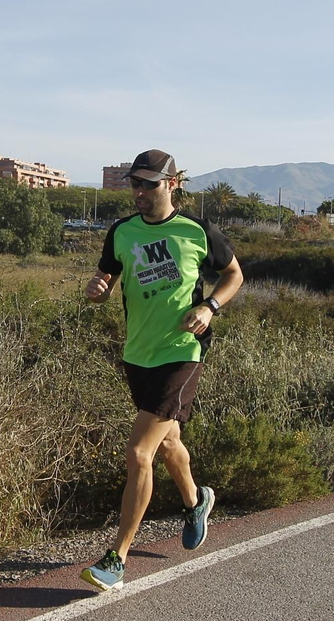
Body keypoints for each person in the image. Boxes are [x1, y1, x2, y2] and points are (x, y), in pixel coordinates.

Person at [80, 149, 245, 591]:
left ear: (172, 184)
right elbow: (103, 283)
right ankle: (196, 501)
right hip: (138, 354)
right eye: (134, 183)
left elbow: (234, 275)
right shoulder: (121, 232)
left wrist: (210, 307)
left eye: (149, 183)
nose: (139, 191)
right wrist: (96, 290)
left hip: (183, 352)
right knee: (169, 440)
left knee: (139, 452)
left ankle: (116, 559)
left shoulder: (196, 230)